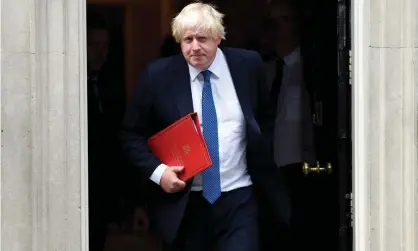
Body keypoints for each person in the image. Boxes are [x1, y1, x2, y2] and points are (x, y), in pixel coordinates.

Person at [120, 2, 290, 251]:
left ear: (219, 38)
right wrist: (159, 173)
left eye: (203, 38)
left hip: (239, 199)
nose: (195, 47)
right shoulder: (158, 76)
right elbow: (131, 134)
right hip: (186, 205)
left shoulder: (247, 65)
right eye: (187, 40)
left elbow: (265, 117)